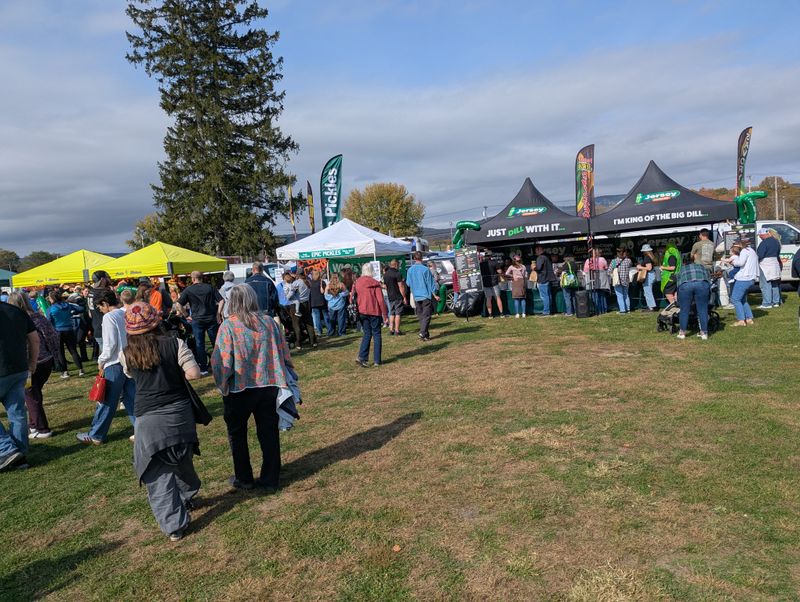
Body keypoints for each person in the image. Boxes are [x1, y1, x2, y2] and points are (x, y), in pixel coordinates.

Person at [120, 302, 201, 542]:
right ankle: (187, 493)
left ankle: (173, 525)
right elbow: (194, 374)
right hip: (179, 413)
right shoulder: (174, 343)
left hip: (147, 418)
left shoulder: (126, 353)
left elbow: (128, 374)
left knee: (158, 472)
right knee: (180, 456)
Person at [211, 285, 294, 492]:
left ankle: (244, 477)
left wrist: (222, 384)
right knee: (268, 432)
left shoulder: (229, 326)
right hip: (268, 384)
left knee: (237, 434)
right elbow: (284, 351)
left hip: (240, 388)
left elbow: (221, 361)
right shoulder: (269, 323)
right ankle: (270, 479)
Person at [76, 290, 137, 445]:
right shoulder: (125, 313)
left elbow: (109, 345)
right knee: (131, 399)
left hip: (115, 363)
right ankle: (142, 429)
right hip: (128, 361)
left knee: (107, 401)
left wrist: (101, 361)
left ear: (105, 303)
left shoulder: (109, 317)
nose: (99, 310)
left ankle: (96, 434)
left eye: (99, 307)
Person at [7, 292, 59, 439]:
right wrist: (55, 355)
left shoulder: (15, 321)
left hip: (30, 364)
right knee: (33, 393)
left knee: (31, 396)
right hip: (45, 361)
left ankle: (42, 428)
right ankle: (34, 425)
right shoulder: (39, 318)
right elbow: (52, 336)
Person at [0, 299, 39, 472]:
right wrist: (32, 362)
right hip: (18, 368)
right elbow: (34, 339)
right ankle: (19, 454)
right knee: (17, 413)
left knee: (17, 413)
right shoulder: (16, 311)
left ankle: (7, 449)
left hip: (7, 369)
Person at [176, 271, 224, 376]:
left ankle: (203, 368)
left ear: (193, 279)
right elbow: (221, 301)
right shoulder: (210, 287)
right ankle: (220, 365)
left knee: (199, 344)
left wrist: (185, 315)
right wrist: (218, 313)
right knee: (215, 343)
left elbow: (178, 304)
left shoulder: (188, 290)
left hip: (197, 320)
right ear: (202, 278)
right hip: (211, 318)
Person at [353, 263, 388, 367]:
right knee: (376, 334)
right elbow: (381, 300)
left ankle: (362, 357)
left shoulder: (358, 282)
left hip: (362, 311)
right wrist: (385, 315)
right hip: (374, 311)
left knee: (367, 334)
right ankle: (377, 360)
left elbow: (353, 295)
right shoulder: (375, 283)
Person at [48, 291, 85, 379]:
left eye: (49, 298)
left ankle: (65, 372)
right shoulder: (68, 305)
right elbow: (81, 309)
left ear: (52, 299)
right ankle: (81, 369)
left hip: (57, 331)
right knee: (73, 350)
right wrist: (72, 312)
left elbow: (48, 320)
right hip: (69, 330)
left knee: (60, 352)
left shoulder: (51, 308)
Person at [722, 237, 758, 326]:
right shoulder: (751, 250)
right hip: (750, 278)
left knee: (735, 299)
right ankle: (749, 318)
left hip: (744, 278)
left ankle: (741, 320)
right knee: (742, 299)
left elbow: (740, 263)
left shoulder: (744, 251)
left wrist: (732, 262)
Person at [675, 253, 711, 340]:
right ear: (693, 261)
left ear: (683, 263)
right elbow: (708, 277)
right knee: (702, 309)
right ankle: (704, 333)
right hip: (702, 284)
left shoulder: (681, 269)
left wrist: (677, 293)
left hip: (686, 285)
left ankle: (682, 333)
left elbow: (678, 282)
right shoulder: (701, 266)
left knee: (684, 310)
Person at [405, 251, 439, 341]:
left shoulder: (410, 270)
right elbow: (430, 283)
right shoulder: (425, 269)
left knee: (421, 316)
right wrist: (435, 294)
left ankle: (425, 335)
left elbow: (408, 283)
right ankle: (423, 332)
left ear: (414, 258)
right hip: (425, 295)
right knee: (426, 315)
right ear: (422, 258)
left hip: (416, 295)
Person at [88, 270, 113, 354]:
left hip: (97, 328)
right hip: (106, 329)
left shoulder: (91, 292)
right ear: (102, 279)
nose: (108, 279)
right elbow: (114, 310)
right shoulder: (103, 293)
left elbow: (90, 314)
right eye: (107, 277)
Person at [756, 227, 782, 309]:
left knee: (765, 284)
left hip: (765, 265)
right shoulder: (776, 241)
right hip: (774, 263)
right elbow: (778, 253)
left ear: (764, 234)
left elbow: (760, 255)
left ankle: (767, 303)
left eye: (760, 235)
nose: (760, 237)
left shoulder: (764, 243)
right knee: (774, 284)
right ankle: (776, 301)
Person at [383, 259, 407, 336]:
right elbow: (401, 286)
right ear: (396, 265)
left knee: (391, 313)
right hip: (397, 296)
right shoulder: (397, 273)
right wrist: (404, 297)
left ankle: (391, 329)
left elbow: (386, 286)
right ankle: (397, 330)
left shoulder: (386, 274)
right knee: (398, 313)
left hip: (390, 296)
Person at [532, 245, 556, 316]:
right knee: (548, 296)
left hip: (542, 279)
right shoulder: (546, 257)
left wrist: (534, 268)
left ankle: (546, 311)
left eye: (536, 250)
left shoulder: (540, 257)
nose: (535, 252)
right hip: (547, 279)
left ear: (539, 250)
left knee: (545, 296)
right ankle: (549, 310)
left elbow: (539, 268)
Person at [583, 248, 609, 314]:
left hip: (592, 280)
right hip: (602, 280)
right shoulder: (603, 259)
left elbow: (585, 271)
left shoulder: (588, 260)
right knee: (602, 295)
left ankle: (598, 310)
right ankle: (604, 310)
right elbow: (606, 268)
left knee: (595, 295)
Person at [479, 251, 504, 318]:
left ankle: (490, 315)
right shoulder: (494, 262)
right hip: (494, 282)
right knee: (498, 298)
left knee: (488, 299)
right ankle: (501, 313)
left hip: (485, 283)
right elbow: (500, 271)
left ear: (484, 257)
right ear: (490, 256)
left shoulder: (481, 264)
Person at [609, 247, 633, 314]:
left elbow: (609, 271)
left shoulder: (614, 261)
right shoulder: (628, 260)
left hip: (617, 280)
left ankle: (622, 310)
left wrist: (613, 275)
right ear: (624, 253)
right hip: (626, 280)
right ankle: (628, 309)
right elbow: (630, 266)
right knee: (626, 295)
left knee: (620, 296)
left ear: (617, 253)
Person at [308, 270, 330, 337]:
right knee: (326, 316)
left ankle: (319, 332)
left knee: (317, 318)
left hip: (314, 303)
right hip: (322, 302)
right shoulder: (322, 282)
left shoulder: (310, 283)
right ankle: (330, 330)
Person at [636, 245, 658, 311]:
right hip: (652, 275)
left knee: (648, 291)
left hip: (648, 275)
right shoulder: (652, 257)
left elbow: (649, 268)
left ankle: (651, 307)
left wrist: (640, 267)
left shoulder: (647, 257)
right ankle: (650, 306)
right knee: (648, 291)